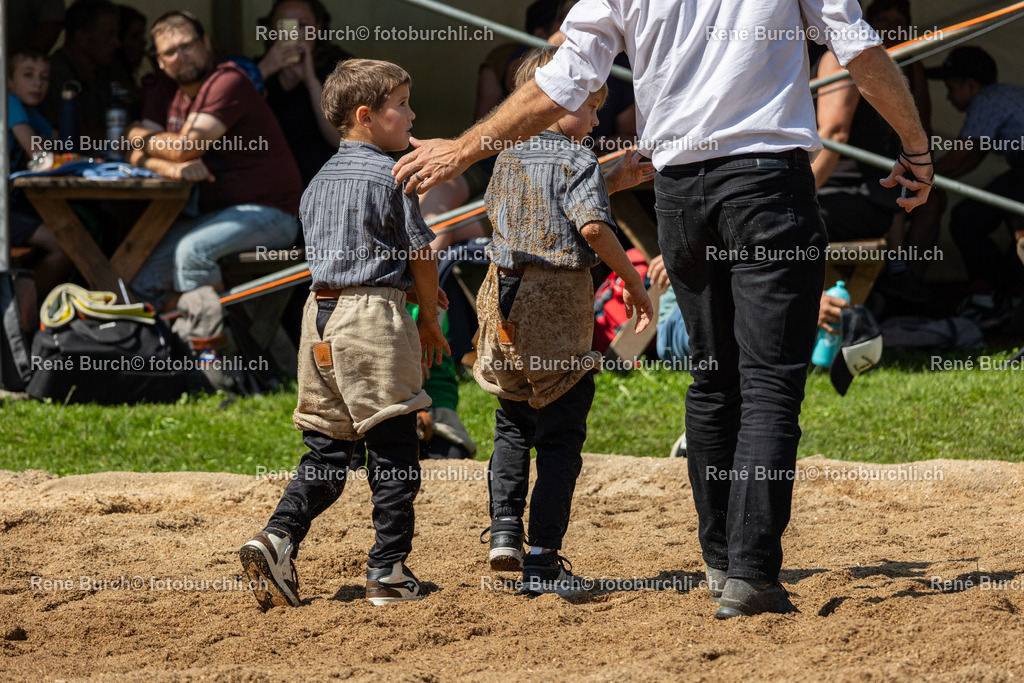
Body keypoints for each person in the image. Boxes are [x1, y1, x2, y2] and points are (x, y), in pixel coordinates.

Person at [394, 0, 932, 618]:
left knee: (712, 380)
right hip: (765, 181)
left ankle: (722, 560)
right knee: (768, 387)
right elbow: (857, 49)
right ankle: (751, 575)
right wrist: (916, 145)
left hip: (681, 191)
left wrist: (464, 149)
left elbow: (561, 79)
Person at [239, 58, 449, 610]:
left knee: (327, 450)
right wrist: (427, 312)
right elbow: (421, 253)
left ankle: (278, 536)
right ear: (366, 116)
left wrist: (399, 286)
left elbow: (346, 255)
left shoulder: (317, 183)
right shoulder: (393, 173)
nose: (411, 114)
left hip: (319, 319)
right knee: (395, 443)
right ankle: (389, 569)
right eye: (401, 104)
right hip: (372, 320)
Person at [474, 48, 654, 594]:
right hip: (553, 303)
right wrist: (633, 279)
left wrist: (608, 180)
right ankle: (543, 558)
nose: (598, 119)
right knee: (560, 431)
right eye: (593, 107)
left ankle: (504, 531)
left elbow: (514, 213)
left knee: (512, 421)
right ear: (556, 105)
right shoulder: (577, 161)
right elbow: (594, 229)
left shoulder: (505, 155)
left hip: (499, 299)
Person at [125, 11, 303, 311]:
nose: (181, 56)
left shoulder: (229, 79)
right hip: (212, 215)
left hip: (271, 213)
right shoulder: (165, 88)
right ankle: (208, 334)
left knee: (193, 252)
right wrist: (169, 167)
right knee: (140, 273)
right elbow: (133, 154)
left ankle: (216, 351)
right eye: (170, 51)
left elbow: (187, 146)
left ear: (206, 43)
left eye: (188, 45)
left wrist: (134, 133)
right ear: (159, 60)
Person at [813, 0, 937, 301]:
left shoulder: (843, 56)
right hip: (859, 193)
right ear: (869, 23)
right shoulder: (826, 55)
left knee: (777, 219)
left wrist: (793, 194)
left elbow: (833, 135)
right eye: (884, 19)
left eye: (899, 19)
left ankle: (899, 279)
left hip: (858, 192)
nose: (892, 26)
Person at [925, 46, 1024, 326]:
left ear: (970, 85)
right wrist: (936, 180)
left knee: (965, 220)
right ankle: (1010, 293)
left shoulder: (986, 100)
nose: (947, 96)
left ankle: (989, 296)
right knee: (1006, 220)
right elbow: (970, 160)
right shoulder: (1006, 95)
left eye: (950, 88)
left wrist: (918, 176)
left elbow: (961, 155)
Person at [256, 0, 350, 186]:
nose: (293, 33)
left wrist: (311, 82)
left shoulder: (341, 69)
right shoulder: (255, 70)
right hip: (270, 188)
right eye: (283, 25)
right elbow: (225, 115)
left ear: (317, 28)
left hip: (326, 186)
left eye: (302, 25)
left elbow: (344, 139)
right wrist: (263, 70)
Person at [7, 50, 73, 297]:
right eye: (28, 75)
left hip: (10, 208)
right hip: (4, 213)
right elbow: (39, 155)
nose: (38, 83)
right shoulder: (9, 101)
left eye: (44, 77)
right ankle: (23, 316)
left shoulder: (28, 111)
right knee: (64, 246)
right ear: (9, 82)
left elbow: (62, 143)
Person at [38, 0, 127, 148]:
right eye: (109, 35)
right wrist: (124, 139)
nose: (116, 43)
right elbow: (69, 131)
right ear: (81, 37)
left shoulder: (109, 70)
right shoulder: (53, 72)